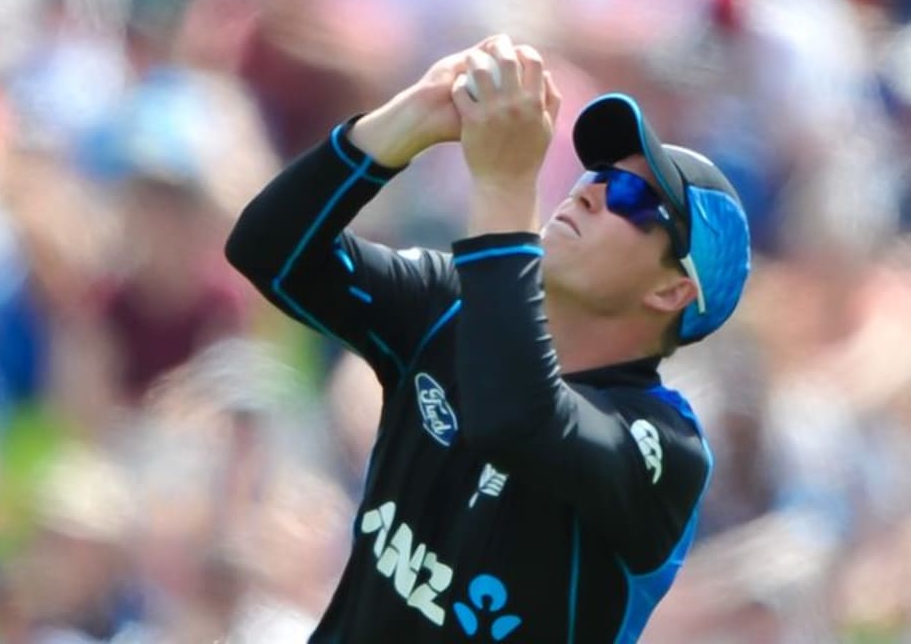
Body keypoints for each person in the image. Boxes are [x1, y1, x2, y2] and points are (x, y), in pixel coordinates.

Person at [226, 34, 751, 643]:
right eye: (598, 173)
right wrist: (410, 120)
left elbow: (516, 417)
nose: (589, 190)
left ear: (672, 292)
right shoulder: (449, 304)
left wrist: (505, 185)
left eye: (632, 198)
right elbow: (269, 251)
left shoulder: (665, 447)